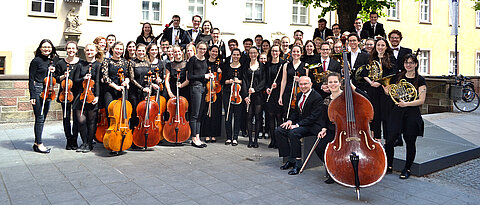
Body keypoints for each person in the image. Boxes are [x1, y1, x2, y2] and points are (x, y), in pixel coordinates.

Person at [314, 72, 368, 183]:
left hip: (349, 130)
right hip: (333, 130)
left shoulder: (349, 97)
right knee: (320, 148)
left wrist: (353, 88)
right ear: (327, 84)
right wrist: (323, 128)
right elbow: (323, 118)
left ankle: (349, 170)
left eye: (335, 82)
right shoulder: (326, 100)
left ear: (340, 83)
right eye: (330, 82)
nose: (333, 84)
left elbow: (366, 99)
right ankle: (332, 169)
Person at [384, 54, 426, 179]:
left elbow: (421, 100)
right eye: (406, 62)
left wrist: (406, 103)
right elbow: (392, 92)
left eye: (411, 63)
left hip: (411, 112)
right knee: (390, 139)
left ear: (416, 64)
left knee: (410, 141)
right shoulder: (397, 77)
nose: (408, 65)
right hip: (397, 111)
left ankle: (407, 168)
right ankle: (389, 166)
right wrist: (388, 91)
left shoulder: (420, 80)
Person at [276, 76, 324, 175]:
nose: (303, 86)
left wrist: (297, 125)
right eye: (301, 84)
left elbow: (313, 117)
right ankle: (290, 159)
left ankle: (298, 163)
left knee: (293, 133)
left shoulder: (317, 97)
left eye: (305, 84)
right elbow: (296, 112)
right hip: (302, 124)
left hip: (312, 126)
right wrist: (290, 121)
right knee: (279, 130)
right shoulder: (299, 95)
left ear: (311, 84)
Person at [361, 38, 397, 140]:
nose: (380, 47)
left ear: (386, 47)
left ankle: (387, 139)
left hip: (385, 90)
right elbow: (364, 73)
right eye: (378, 45)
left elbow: (393, 74)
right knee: (375, 115)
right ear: (375, 47)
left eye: (382, 45)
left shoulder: (391, 58)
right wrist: (371, 82)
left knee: (386, 115)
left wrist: (380, 83)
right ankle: (376, 138)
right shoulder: (371, 58)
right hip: (373, 90)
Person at [29, 39, 58, 153]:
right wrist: (32, 96)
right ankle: (39, 144)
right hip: (38, 90)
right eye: (44, 47)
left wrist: (54, 71)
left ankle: (37, 143)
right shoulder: (36, 61)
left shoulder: (52, 61)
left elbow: (55, 76)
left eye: (49, 47)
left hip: (48, 90)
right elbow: (31, 79)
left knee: (42, 117)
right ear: (40, 49)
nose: (47, 49)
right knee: (40, 118)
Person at [72, 43, 101, 152]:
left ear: (96, 52)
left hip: (92, 95)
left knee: (91, 121)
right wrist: (83, 77)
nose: (89, 52)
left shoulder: (98, 65)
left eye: (91, 50)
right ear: (85, 52)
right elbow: (75, 80)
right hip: (81, 95)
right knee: (81, 120)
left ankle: (89, 144)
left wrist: (97, 96)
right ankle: (83, 142)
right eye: (87, 51)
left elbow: (97, 82)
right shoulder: (80, 65)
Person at [55, 41, 82, 150]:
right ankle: (68, 139)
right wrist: (63, 76)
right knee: (66, 117)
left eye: (73, 48)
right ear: (66, 50)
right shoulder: (60, 63)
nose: (71, 50)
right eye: (69, 48)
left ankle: (74, 140)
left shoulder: (81, 63)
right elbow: (56, 79)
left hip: (77, 94)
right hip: (64, 93)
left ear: (76, 50)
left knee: (76, 118)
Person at [187, 41, 211, 148]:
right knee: (195, 114)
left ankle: (198, 137)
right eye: (201, 49)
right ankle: (193, 138)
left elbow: (205, 74)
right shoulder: (193, 59)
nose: (202, 51)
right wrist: (203, 76)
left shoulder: (205, 61)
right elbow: (190, 77)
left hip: (203, 88)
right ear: (197, 48)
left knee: (200, 115)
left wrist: (209, 76)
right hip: (195, 87)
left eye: (204, 49)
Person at [101, 41, 130, 122]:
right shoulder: (107, 61)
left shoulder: (125, 62)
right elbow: (105, 77)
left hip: (122, 90)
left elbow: (128, 76)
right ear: (112, 49)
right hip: (110, 90)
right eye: (117, 49)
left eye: (121, 49)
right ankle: (112, 132)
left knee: (122, 112)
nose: (119, 51)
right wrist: (116, 87)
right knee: (110, 112)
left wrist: (126, 82)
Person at [243, 47, 265, 148]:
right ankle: (250, 140)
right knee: (248, 117)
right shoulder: (246, 65)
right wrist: (245, 95)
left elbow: (263, 81)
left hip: (258, 95)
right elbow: (244, 80)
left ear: (258, 54)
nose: (253, 55)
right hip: (248, 95)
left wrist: (255, 89)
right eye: (251, 53)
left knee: (258, 117)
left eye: (255, 53)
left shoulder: (261, 66)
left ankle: (256, 139)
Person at [222, 48, 244, 146]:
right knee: (228, 116)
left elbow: (245, 81)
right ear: (231, 55)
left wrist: (239, 81)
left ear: (240, 56)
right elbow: (222, 80)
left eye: (237, 55)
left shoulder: (243, 68)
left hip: (238, 95)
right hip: (228, 93)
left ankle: (235, 137)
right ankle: (228, 137)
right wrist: (229, 81)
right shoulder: (227, 67)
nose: (236, 57)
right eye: (234, 55)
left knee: (238, 116)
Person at [278, 45, 308, 119]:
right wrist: (280, 96)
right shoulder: (286, 65)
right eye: (294, 51)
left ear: (301, 53)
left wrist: (300, 80)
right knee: (287, 113)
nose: (296, 53)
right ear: (291, 53)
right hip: (288, 92)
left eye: (298, 51)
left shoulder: (306, 65)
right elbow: (284, 81)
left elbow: (308, 81)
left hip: (301, 92)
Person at [201, 45, 223, 143]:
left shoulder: (220, 64)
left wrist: (220, 72)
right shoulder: (205, 63)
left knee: (215, 113)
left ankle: (214, 134)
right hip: (207, 90)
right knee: (206, 112)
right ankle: (206, 134)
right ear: (209, 52)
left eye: (216, 52)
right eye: (213, 51)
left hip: (217, 91)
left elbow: (223, 78)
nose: (214, 53)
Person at [265, 45, 285, 148]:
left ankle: (279, 141)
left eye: (276, 51)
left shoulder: (283, 64)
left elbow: (283, 79)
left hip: (279, 93)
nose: (274, 53)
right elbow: (265, 79)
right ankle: (272, 140)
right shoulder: (267, 64)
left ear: (280, 52)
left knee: (279, 117)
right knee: (271, 117)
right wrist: (267, 88)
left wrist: (277, 85)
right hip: (270, 94)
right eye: (273, 51)